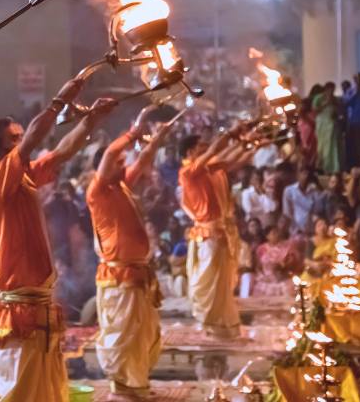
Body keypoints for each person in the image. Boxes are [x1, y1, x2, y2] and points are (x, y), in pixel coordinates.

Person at [0, 76, 113, 402]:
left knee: (47, 390)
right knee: (21, 392)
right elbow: (37, 138)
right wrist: (61, 98)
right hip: (20, 307)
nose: (24, 142)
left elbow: (62, 151)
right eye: (16, 139)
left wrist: (92, 121)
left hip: (38, 302)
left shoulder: (23, 175)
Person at [86, 106, 171, 399]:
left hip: (137, 275)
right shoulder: (97, 191)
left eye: (124, 161)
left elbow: (144, 158)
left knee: (144, 334)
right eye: (120, 161)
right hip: (119, 277)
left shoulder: (121, 185)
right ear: (103, 168)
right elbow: (110, 154)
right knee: (124, 335)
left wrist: (157, 138)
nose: (123, 164)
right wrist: (137, 126)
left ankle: (137, 385)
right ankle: (125, 390)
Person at [178, 128, 250, 338]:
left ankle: (219, 326)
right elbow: (215, 152)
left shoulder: (205, 169)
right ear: (191, 152)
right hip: (208, 235)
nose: (206, 149)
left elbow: (231, 161)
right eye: (201, 146)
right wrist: (231, 135)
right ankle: (209, 323)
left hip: (218, 232)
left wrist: (247, 144)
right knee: (210, 282)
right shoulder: (188, 172)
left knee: (220, 283)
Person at [312, 83, 342, 175]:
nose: (331, 92)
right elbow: (315, 110)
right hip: (322, 126)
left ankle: (333, 168)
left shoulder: (335, 99)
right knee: (322, 147)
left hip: (332, 126)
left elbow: (339, 111)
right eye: (329, 89)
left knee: (333, 148)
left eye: (333, 90)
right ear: (326, 89)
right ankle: (322, 168)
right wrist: (326, 103)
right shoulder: (318, 98)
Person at [282, 166, 321, 235]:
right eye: (303, 173)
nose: (305, 176)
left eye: (307, 174)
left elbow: (316, 210)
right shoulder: (289, 190)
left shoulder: (314, 191)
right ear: (298, 175)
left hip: (310, 230)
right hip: (295, 230)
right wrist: (295, 227)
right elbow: (287, 212)